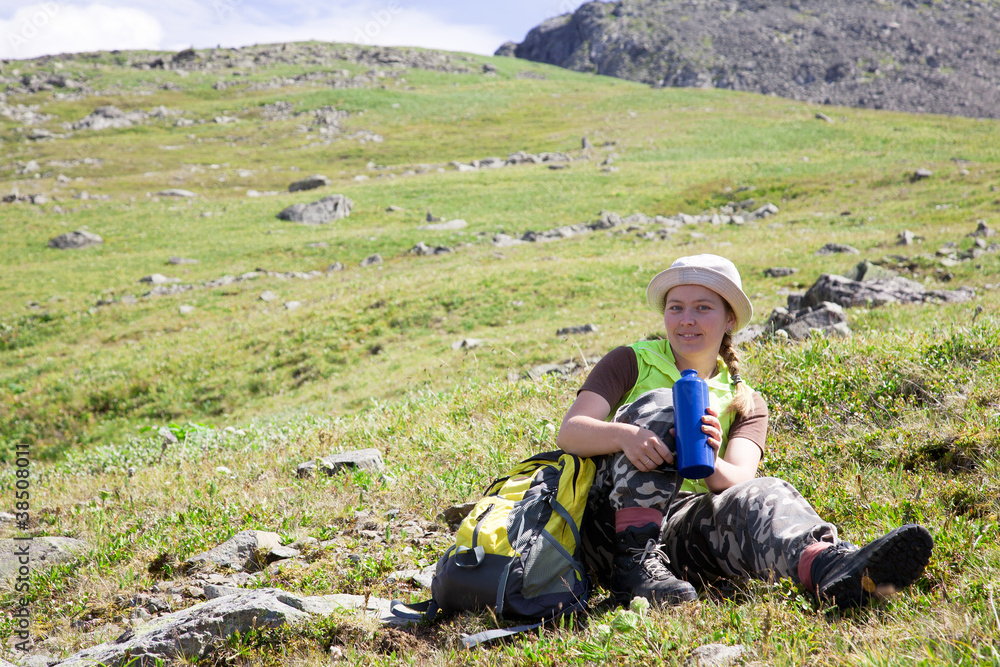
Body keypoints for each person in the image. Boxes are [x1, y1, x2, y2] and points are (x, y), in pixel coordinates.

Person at [556, 254, 934, 609]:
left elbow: (739, 479)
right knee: (667, 404)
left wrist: (708, 457)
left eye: (703, 308)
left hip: (678, 538)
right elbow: (571, 432)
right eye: (676, 308)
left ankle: (832, 569)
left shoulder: (746, 399)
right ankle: (633, 568)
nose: (686, 319)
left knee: (769, 491)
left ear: (729, 319)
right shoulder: (630, 361)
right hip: (604, 529)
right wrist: (626, 435)